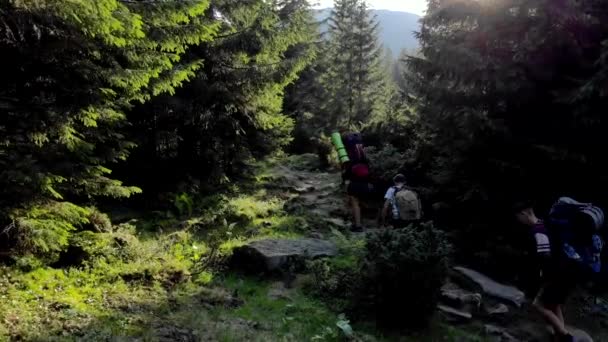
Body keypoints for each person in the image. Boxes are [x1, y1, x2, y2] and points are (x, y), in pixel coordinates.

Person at [513, 202, 577, 342]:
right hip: (565, 270)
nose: (519, 221)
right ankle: (558, 337)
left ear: (524, 213)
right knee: (553, 305)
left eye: (518, 217)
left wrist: (543, 276)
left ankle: (566, 336)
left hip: (554, 273)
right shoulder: (546, 224)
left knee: (538, 305)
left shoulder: (538, 230)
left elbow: (545, 255)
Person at [341, 133, 372, 232]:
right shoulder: (363, 153)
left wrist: (344, 176)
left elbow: (348, 171)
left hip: (355, 183)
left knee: (355, 202)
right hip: (366, 183)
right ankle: (358, 220)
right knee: (358, 201)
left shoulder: (350, 155)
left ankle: (357, 225)